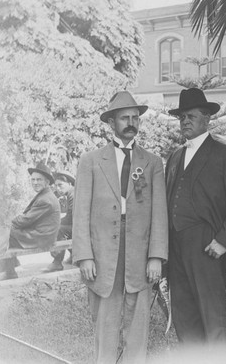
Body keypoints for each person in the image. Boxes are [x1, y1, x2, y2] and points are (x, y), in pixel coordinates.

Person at [72, 90, 168, 364]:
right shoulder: (90, 161)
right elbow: (81, 212)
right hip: (103, 251)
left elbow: (159, 213)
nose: (131, 122)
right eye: (124, 117)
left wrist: (156, 256)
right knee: (105, 317)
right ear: (111, 122)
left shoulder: (152, 162)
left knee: (138, 320)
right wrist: (85, 256)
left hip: (139, 249)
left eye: (135, 118)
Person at [165, 88, 226, 345]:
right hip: (176, 247)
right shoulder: (175, 157)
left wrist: (224, 241)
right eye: (181, 117)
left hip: (207, 247)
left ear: (207, 118)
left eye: (191, 116)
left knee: (213, 316)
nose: (185, 121)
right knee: (184, 315)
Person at [0, 162, 61, 280]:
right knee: (7, 231)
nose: (35, 183)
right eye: (33, 180)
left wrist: (10, 222)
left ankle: (10, 272)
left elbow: (26, 219)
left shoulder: (46, 199)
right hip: (41, 233)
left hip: (42, 237)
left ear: (47, 182)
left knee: (5, 234)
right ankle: (9, 266)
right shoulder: (45, 195)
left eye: (39, 180)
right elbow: (29, 218)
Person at [44, 171, 75, 272]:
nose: (57, 188)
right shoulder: (68, 193)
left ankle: (57, 262)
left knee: (60, 229)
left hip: (84, 226)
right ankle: (74, 255)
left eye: (60, 185)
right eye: (56, 185)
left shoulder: (73, 194)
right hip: (77, 225)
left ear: (70, 184)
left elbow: (72, 217)